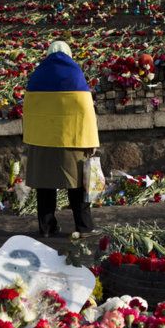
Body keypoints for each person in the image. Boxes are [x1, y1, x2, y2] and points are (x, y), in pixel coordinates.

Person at [22, 41, 99, 238]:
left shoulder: (38, 75)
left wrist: (31, 138)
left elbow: (29, 111)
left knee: (45, 187)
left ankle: (47, 228)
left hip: (42, 142)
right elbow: (85, 111)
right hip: (72, 141)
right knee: (77, 186)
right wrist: (91, 141)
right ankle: (83, 227)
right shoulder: (75, 74)